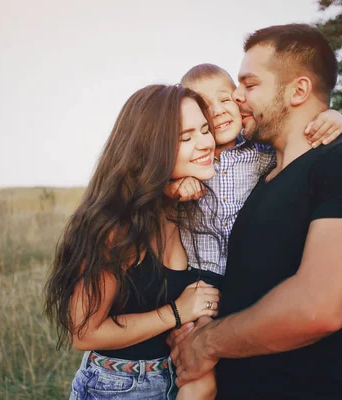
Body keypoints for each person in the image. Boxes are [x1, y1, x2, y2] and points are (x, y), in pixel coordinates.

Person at [170, 24, 342, 399]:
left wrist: (206, 344)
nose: (235, 95)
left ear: (298, 90)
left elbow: (318, 308)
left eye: (249, 84)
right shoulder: (259, 175)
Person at [44, 84, 223, 400]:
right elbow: (83, 333)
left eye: (205, 130)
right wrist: (177, 313)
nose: (205, 143)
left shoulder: (184, 205)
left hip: (175, 377)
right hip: (118, 386)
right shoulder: (119, 226)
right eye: (186, 137)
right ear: (152, 148)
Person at [167, 63, 342, 282]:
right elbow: (152, 187)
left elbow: (299, 141)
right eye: (205, 106)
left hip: (248, 271)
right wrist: (173, 187)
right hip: (200, 274)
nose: (217, 110)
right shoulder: (189, 161)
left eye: (225, 100)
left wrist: (332, 116)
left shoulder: (259, 150)